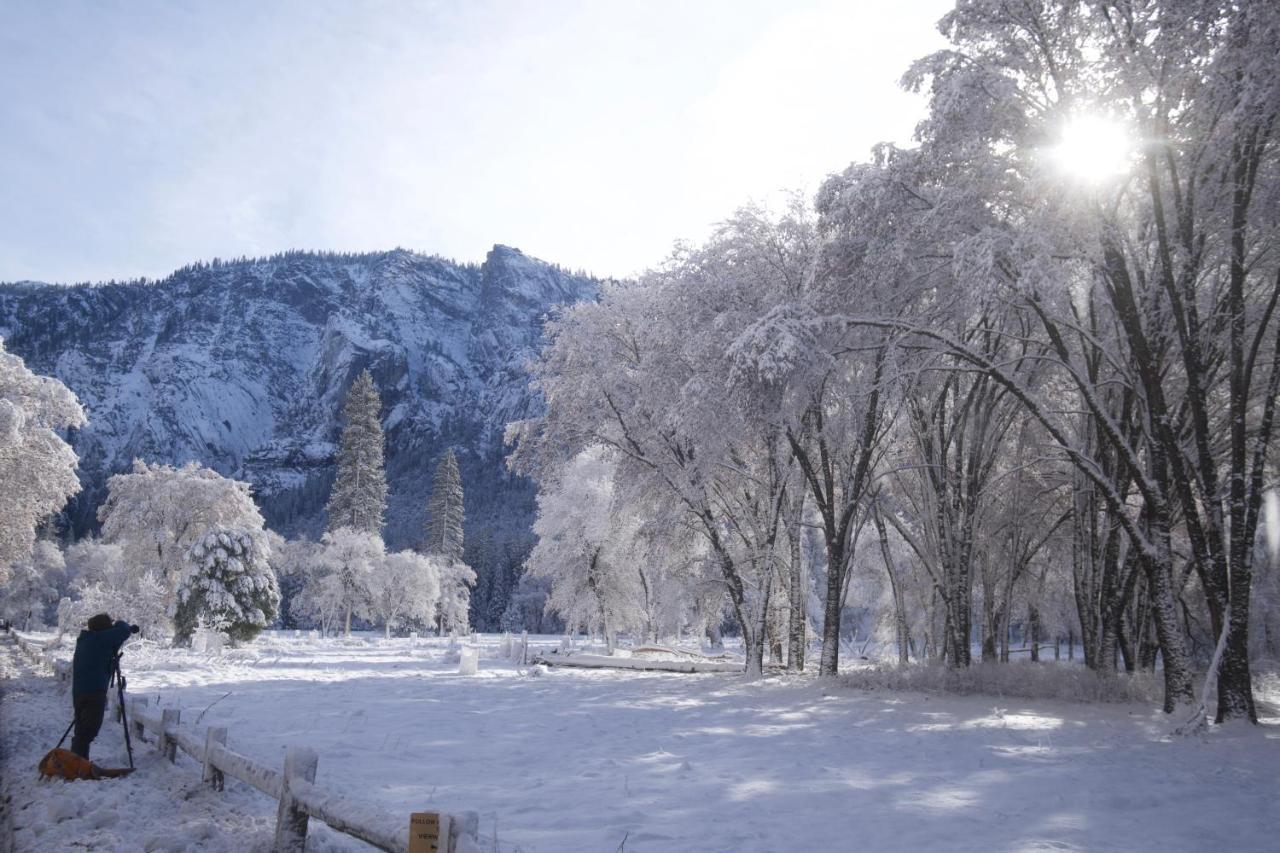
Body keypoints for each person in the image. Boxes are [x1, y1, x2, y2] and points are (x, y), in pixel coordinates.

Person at [70, 613, 138, 760]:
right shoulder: (101, 639)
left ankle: (78, 759)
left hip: (79, 689)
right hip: (94, 690)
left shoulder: (86, 639)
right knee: (90, 727)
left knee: (82, 726)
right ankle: (77, 761)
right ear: (104, 629)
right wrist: (121, 625)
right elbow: (123, 629)